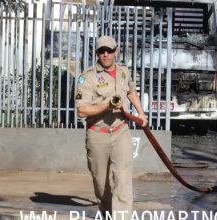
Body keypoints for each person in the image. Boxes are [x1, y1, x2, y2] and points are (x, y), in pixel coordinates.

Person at [76, 36, 147, 220]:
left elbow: (131, 90)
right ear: (97, 53)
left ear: (116, 51)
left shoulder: (124, 71)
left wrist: (141, 113)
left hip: (121, 131)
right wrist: (106, 106)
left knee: (122, 180)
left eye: (109, 50)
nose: (105, 54)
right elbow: (82, 111)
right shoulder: (87, 76)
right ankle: (107, 213)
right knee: (101, 185)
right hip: (97, 134)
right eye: (101, 51)